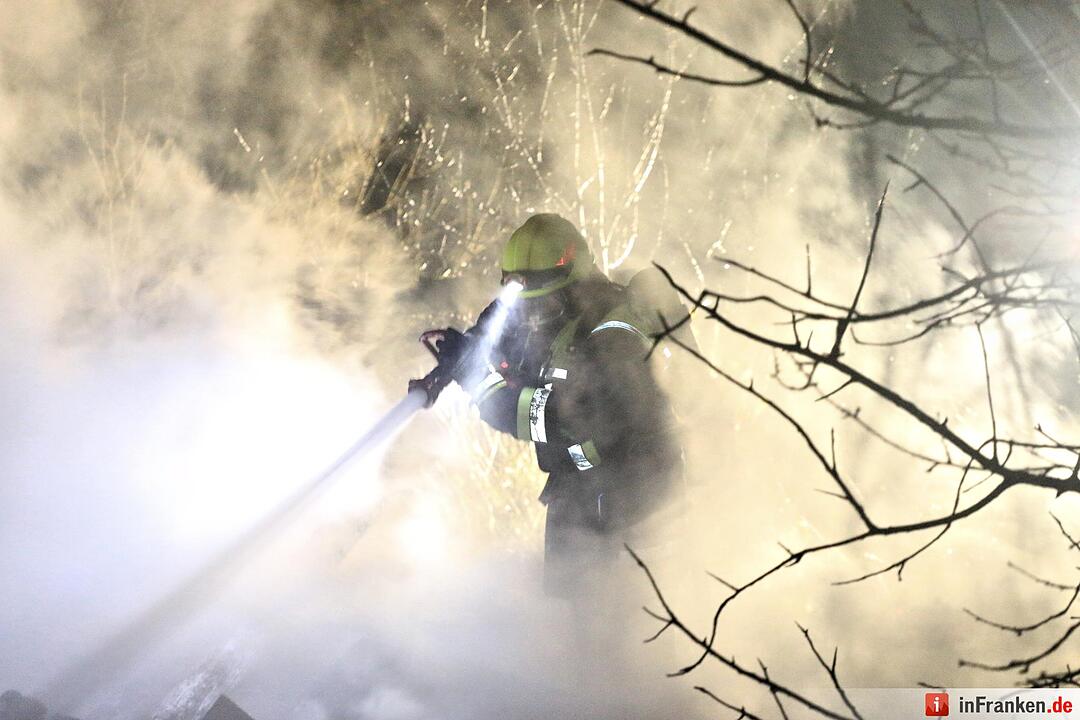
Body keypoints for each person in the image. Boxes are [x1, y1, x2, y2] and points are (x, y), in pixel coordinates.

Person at [426, 213, 685, 595]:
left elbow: (561, 416)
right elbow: (504, 319)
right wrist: (465, 348)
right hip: (578, 493)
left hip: (634, 505)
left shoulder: (614, 334)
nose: (530, 316)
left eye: (541, 303)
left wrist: (480, 384)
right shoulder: (550, 315)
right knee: (567, 626)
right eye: (525, 304)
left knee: (626, 629)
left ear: (573, 288)